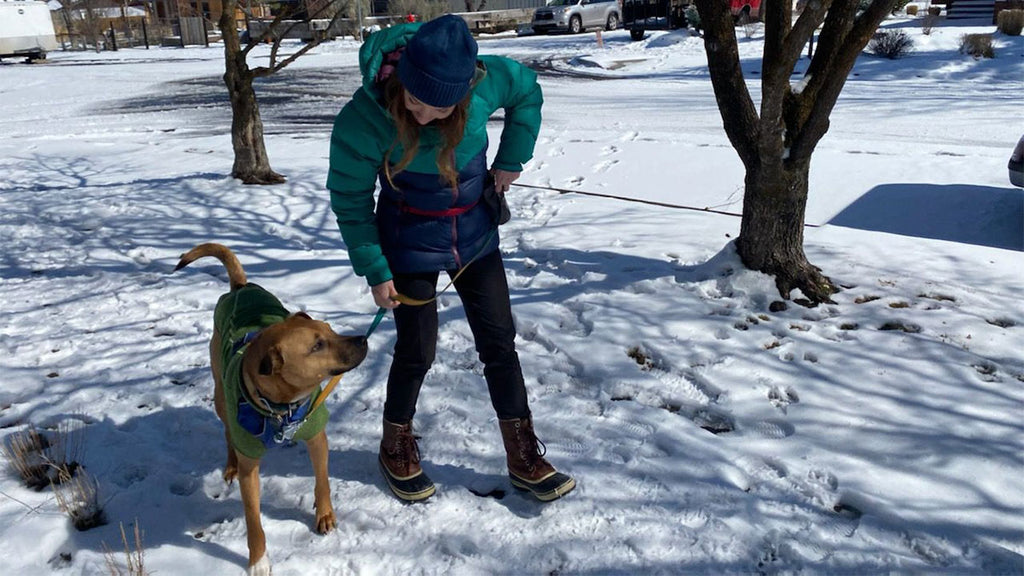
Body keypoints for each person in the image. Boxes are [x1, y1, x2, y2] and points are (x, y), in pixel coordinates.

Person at [326, 15, 575, 503]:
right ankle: (395, 442)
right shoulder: (364, 118)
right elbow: (350, 199)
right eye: (415, 102)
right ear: (401, 81)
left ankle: (523, 453)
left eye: (439, 108)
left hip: (475, 236)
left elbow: (526, 90)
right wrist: (376, 268)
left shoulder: (485, 81)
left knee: (500, 342)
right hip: (408, 237)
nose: (422, 116)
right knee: (418, 350)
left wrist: (511, 158)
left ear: (463, 95)